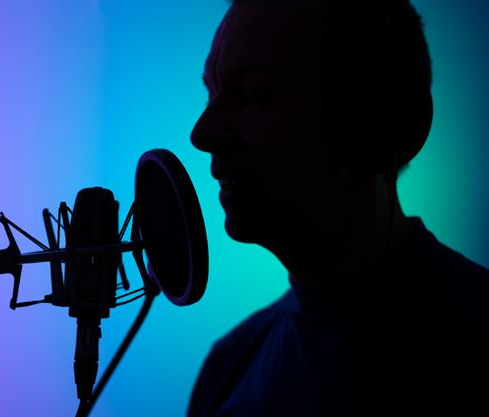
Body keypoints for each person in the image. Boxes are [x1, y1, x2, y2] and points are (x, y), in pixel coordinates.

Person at [187, 0, 489, 416]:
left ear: (380, 120)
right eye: (212, 93)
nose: (202, 133)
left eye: (252, 94)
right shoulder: (227, 368)